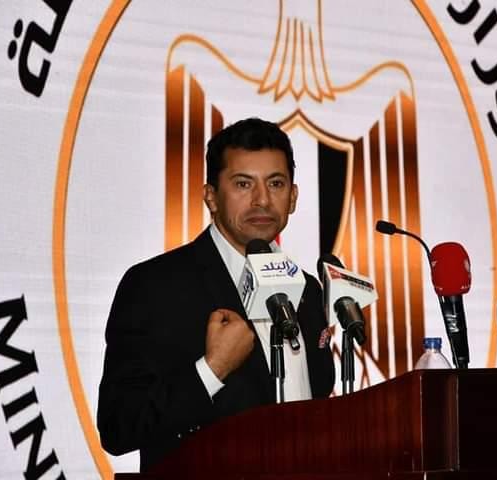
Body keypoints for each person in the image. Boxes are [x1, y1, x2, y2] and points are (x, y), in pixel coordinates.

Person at [96, 117, 335, 472]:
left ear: (294, 197)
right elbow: (119, 426)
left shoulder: (308, 291)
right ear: (211, 197)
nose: (262, 200)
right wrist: (211, 370)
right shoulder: (155, 285)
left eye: (276, 183)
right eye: (243, 184)